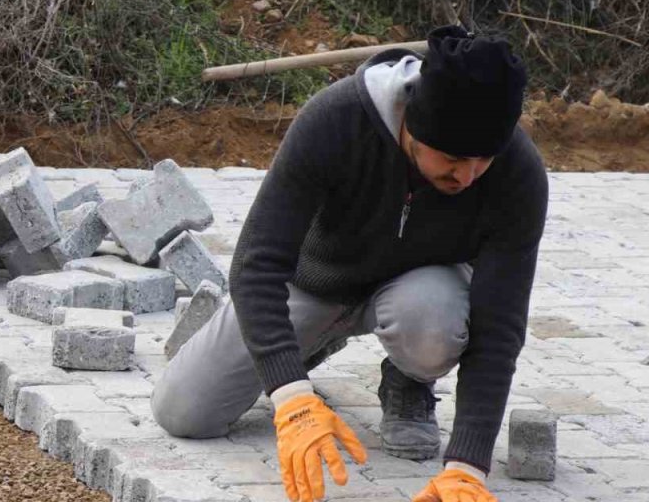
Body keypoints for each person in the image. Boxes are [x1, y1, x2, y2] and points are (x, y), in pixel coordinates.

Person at [151, 25, 548, 502]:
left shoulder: (518, 173)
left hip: (420, 296)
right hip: (316, 283)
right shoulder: (336, 119)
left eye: (483, 160)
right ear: (414, 124)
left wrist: (467, 466)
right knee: (183, 411)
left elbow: (499, 325)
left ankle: (408, 378)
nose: (467, 176)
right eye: (452, 158)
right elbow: (256, 265)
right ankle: (305, 347)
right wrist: (292, 396)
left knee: (433, 320)